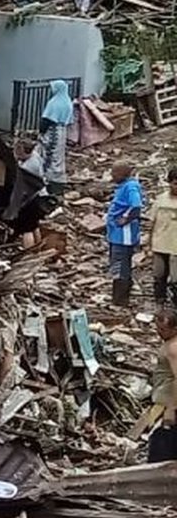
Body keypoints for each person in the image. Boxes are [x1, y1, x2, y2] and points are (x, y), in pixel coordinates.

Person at [106, 162, 145, 306]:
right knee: (119, 264)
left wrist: (126, 219)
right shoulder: (124, 186)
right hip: (117, 234)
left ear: (123, 173)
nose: (112, 175)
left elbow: (136, 205)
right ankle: (119, 298)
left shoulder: (131, 186)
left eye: (114, 172)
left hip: (124, 235)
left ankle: (120, 300)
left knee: (121, 265)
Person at [149, 310, 177, 462]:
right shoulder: (169, 344)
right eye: (157, 328)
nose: (159, 332)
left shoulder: (173, 348)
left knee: (161, 450)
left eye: (163, 329)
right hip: (165, 403)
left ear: (174, 329)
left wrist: (171, 409)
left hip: (169, 406)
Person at [39, 80, 74, 195]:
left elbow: (47, 119)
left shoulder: (54, 103)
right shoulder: (67, 102)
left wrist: (41, 132)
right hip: (62, 130)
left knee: (49, 155)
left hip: (52, 131)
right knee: (59, 156)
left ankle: (49, 181)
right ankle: (59, 179)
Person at [153, 168, 177, 305]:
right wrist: (148, 244)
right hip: (160, 244)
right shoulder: (161, 200)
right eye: (175, 183)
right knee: (159, 276)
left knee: (175, 279)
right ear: (169, 183)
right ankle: (160, 304)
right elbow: (152, 222)